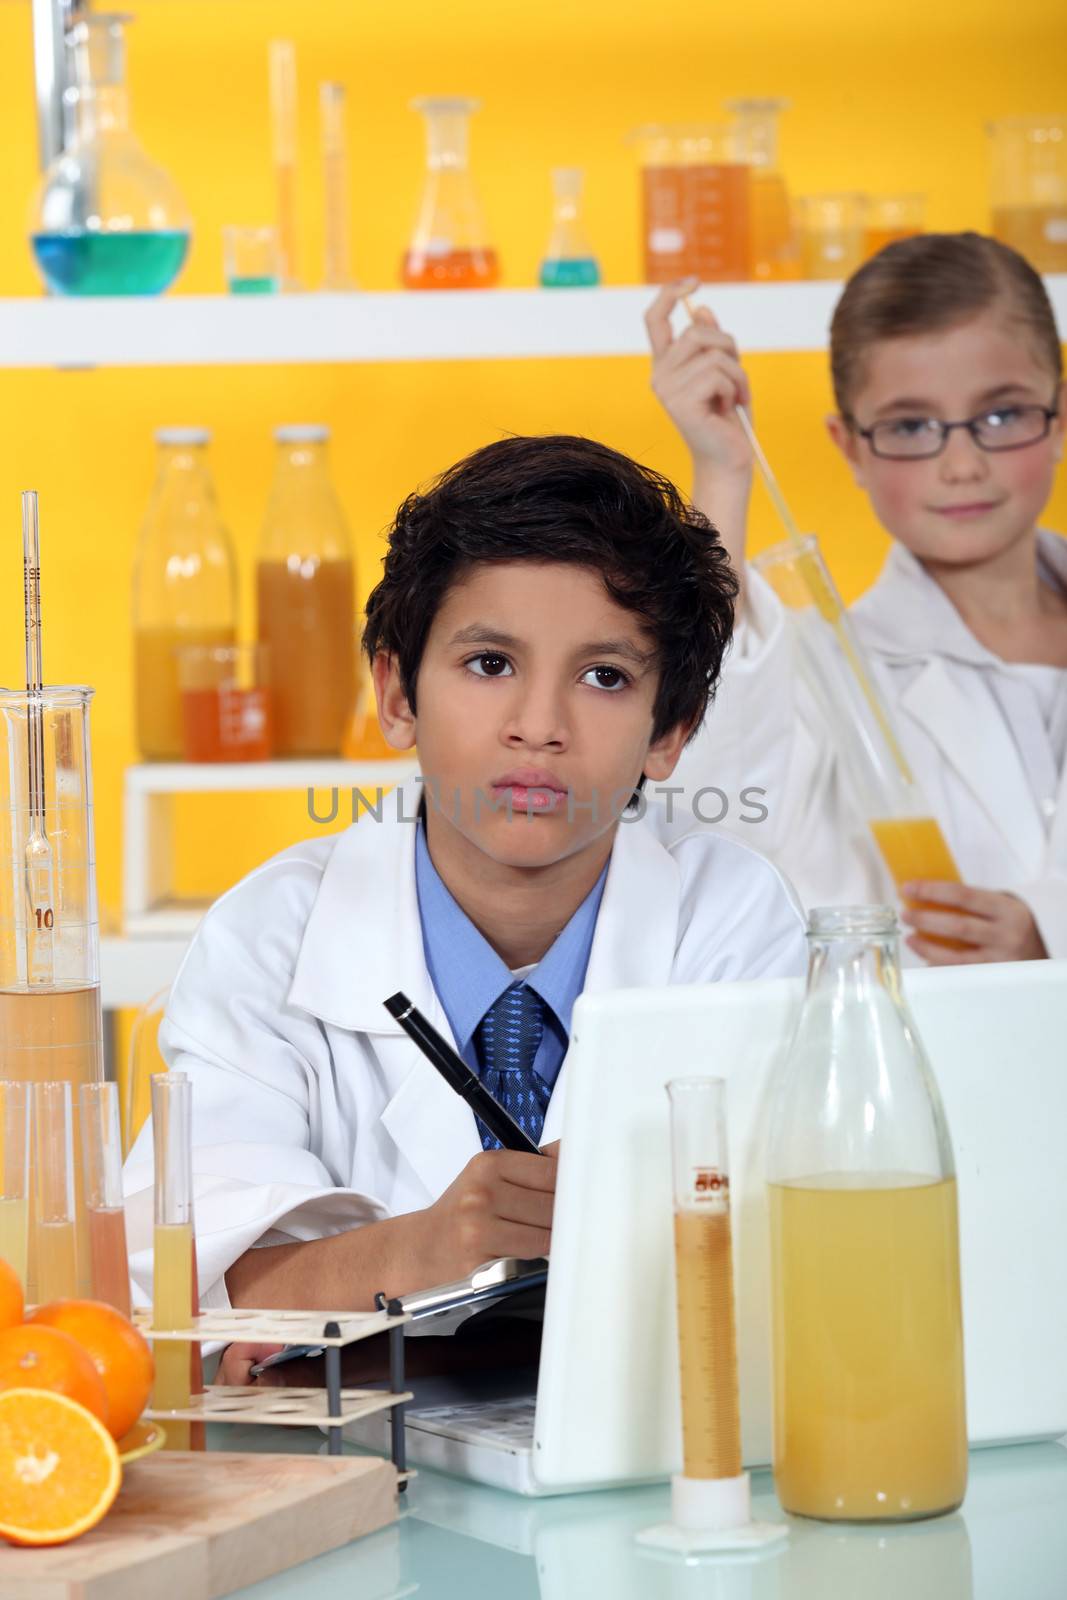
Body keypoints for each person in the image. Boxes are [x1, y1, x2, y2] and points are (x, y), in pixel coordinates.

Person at [122, 434, 806, 1370]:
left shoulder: (729, 918)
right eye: (489, 664)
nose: (539, 726)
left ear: (670, 734)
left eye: (604, 677)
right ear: (396, 695)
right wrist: (435, 1244)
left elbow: (790, 1246)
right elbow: (185, 1292)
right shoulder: (270, 935)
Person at [646, 233, 1067, 964]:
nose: (961, 465)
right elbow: (719, 808)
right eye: (910, 426)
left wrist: (1046, 932)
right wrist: (722, 469)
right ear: (849, 447)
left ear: (1058, 418)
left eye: (1000, 415)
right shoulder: (823, 680)